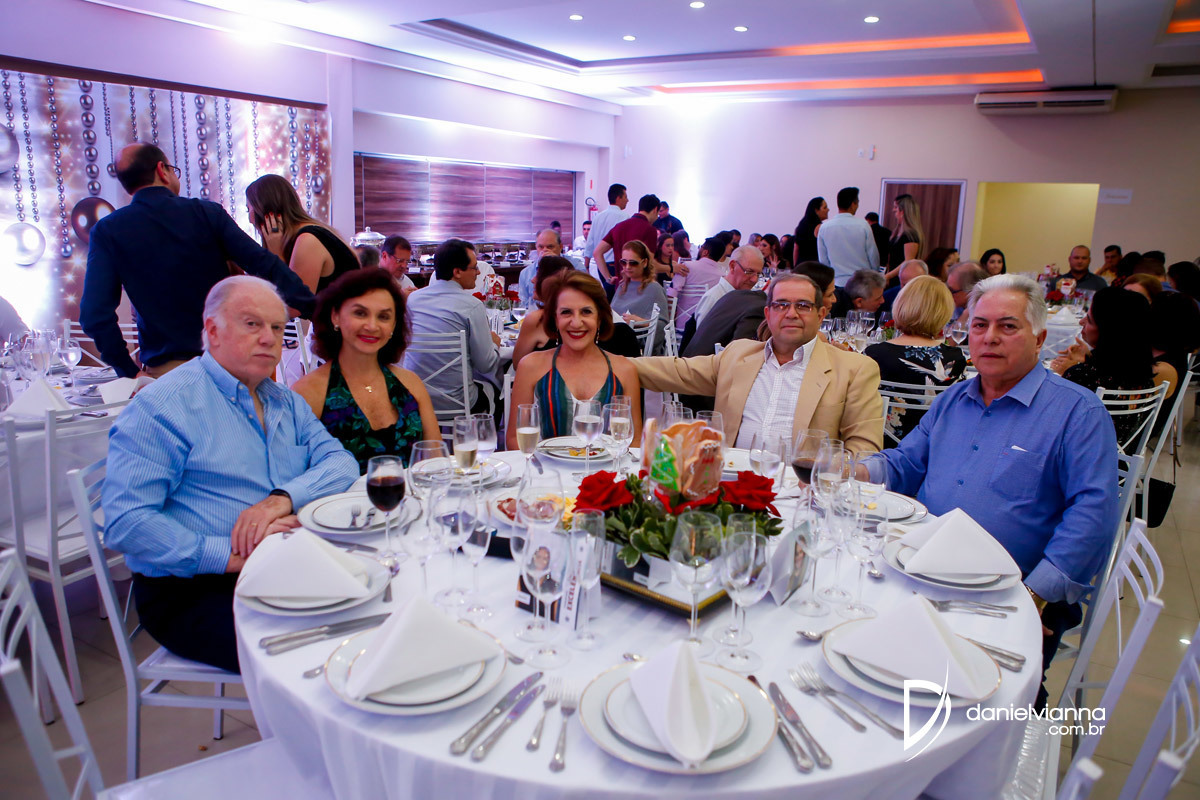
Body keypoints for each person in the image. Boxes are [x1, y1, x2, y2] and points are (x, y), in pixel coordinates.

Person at [860, 273, 1119, 710]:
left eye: (1008, 326)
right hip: (923, 570)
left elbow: (1094, 512)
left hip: (1010, 596)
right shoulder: (953, 399)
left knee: (972, 702)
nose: (990, 337)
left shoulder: (1078, 412)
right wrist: (845, 471)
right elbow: (905, 464)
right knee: (867, 658)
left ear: (1039, 339)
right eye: (979, 325)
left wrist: (1035, 596)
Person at [102, 276, 359, 672]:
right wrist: (230, 554)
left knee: (375, 601)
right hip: (194, 588)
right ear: (213, 331)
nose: (269, 338)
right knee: (326, 652)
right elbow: (126, 523)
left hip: (280, 560)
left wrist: (280, 500)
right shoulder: (164, 407)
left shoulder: (284, 401)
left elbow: (341, 462)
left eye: (277, 327)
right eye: (252, 324)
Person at [81, 143, 315, 379]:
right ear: (162, 170)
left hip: (168, 376)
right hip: (226, 366)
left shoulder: (107, 231)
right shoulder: (207, 213)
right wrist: (316, 310)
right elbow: (263, 264)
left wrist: (128, 371)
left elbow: (94, 315)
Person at [636, 273, 884, 453]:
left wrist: (825, 473)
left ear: (821, 316)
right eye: (781, 305)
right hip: (733, 483)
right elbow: (678, 371)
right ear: (768, 314)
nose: (791, 314)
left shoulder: (854, 369)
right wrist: (618, 363)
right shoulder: (739, 355)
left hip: (802, 491)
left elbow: (865, 448)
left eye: (803, 306)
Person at [291, 269, 438, 473]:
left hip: (412, 493)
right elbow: (296, 477)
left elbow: (436, 462)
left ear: (394, 325)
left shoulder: (410, 384)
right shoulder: (308, 394)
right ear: (335, 316)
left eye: (384, 317)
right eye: (360, 313)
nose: (372, 326)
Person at [506, 271, 642, 448]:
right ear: (555, 319)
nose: (576, 323)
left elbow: (634, 441)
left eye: (586, 312)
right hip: (546, 466)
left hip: (609, 466)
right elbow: (515, 439)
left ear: (600, 318)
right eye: (566, 312)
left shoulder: (624, 370)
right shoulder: (531, 366)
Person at [403, 239, 500, 417]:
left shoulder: (413, 300)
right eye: (474, 267)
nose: (479, 272)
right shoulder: (472, 306)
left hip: (414, 398)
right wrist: (494, 344)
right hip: (458, 402)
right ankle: (482, 435)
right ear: (457, 272)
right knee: (497, 392)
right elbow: (485, 365)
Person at [1050, 287, 1155, 446]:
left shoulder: (1083, 377)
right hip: (1120, 455)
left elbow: (1055, 426)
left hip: (1083, 457)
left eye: (1089, 320)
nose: (1081, 322)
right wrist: (1087, 358)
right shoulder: (1144, 375)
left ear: (1109, 332)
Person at [865, 276, 966, 438]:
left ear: (900, 306)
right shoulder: (955, 359)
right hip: (933, 444)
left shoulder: (875, 354)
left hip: (883, 443)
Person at [245, 174, 359, 296]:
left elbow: (294, 302)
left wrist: (276, 257)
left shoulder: (308, 240)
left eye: (249, 209)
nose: (250, 219)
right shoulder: (309, 234)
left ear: (265, 212)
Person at [611, 241, 670, 355]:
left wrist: (639, 321)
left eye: (633, 263)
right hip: (615, 339)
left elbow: (663, 326)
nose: (627, 267)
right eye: (623, 262)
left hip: (635, 346)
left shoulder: (654, 289)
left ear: (645, 263)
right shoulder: (623, 286)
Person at [592, 193, 661, 286]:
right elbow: (650, 264)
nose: (657, 218)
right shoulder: (650, 230)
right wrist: (670, 268)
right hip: (640, 286)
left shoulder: (619, 226)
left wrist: (608, 278)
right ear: (655, 209)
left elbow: (597, 252)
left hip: (620, 285)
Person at [817, 186, 879, 287]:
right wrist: (875, 274)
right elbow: (873, 256)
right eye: (857, 203)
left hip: (837, 282)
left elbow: (823, 260)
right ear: (853, 204)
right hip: (862, 282)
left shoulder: (824, 227)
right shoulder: (863, 225)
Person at [692, 245, 764, 327]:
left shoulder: (750, 297)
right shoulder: (714, 298)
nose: (754, 279)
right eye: (749, 272)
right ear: (732, 266)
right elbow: (704, 334)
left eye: (758, 274)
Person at [670, 236, 726, 335]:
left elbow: (671, 294)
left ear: (705, 252)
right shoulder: (722, 276)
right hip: (706, 329)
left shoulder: (686, 267)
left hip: (681, 326)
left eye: (701, 247)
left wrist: (669, 318)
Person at [583, 183, 629, 288]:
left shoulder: (598, 217)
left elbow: (590, 243)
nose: (627, 200)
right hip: (616, 265)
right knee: (617, 295)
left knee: (606, 293)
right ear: (618, 198)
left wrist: (587, 266)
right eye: (625, 197)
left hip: (600, 265)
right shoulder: (625, 217)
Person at [518, 229, 567, 308]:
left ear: (560, 247)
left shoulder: (575, 266)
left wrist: (555, 263)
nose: (545, 250)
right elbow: (523, 306)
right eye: (541, 247)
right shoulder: (525, 273)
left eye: (550, 247)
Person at [886, 194, 924, 283]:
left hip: (901, 280)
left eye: (896, 207)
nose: (893, 210)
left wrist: (888, 276)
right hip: (894, 278)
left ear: (903, 211)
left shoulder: (910, 235)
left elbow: (908, 261)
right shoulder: (897, 233)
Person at [792, 196, 828, 265]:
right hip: (814, 266)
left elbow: (796, 248)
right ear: (816, 210)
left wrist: (796, 266)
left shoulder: (802, 224)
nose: (828, 210)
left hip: (801, 265)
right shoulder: (819, 227)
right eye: (825, 207)